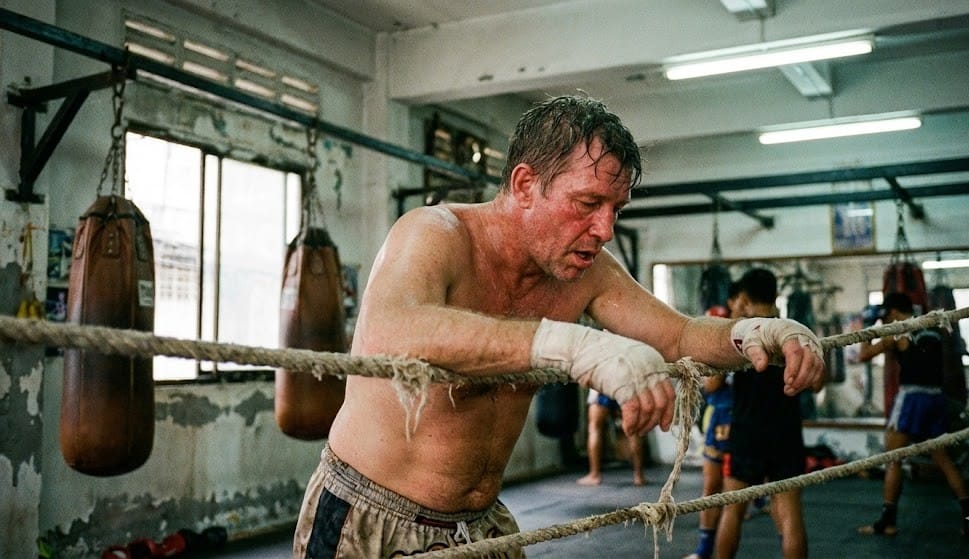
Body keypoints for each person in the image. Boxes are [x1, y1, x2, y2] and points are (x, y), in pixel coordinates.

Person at [292, 95, 825, 558]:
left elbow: (680, 336)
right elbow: (393, 329)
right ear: (525, 184)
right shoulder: (436, 234)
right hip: (372, 519)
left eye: (616, 209)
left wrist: (759, 333)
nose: (605, 229)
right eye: (589, 203)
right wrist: (571, 345)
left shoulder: (586, 272)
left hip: (480, 526)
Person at [714, 268, 822, 559]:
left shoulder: (740, 333)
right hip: (785, 432)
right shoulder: (793, 332)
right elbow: (818, 381)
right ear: (776, 294)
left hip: (746, 432)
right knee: (790, 517)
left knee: (732, 512)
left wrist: (723, 329)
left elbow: (711, 384)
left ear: (745, 298)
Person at [855, 292, 969, 539]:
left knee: (894, 459)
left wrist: (867, 324)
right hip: (937, 398)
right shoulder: (932, 327)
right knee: (944, 459)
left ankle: (888, 522)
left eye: (887, 314)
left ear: (894, 312)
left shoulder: (898, 333)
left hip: (912, 399)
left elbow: (863, 355)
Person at [684, 281, 742, 559]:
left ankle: (705, 550)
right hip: (742, 419)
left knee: (713, 486)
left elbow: (712, 386)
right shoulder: (756, 334)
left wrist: (710, 356)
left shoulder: (727, 339)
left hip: (723, 416)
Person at [577, 389, 646, 486]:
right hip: (625, 387)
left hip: (602, 388)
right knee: (633, 431)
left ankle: (594, 475)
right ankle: (639, 476)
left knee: (594, 428)